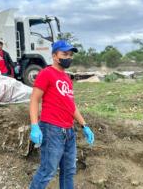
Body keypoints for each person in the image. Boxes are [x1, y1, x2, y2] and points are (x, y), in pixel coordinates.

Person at [29, 40, 95, 189]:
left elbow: (71, 105)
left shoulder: (66, 78)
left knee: (69, 172)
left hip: (69, 132)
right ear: (54, 55)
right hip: (52, 129)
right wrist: (34, 125)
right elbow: (34, 100)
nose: (69, 57)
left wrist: (85, 125)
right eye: (64, 54)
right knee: (47, 171)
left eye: (70, 55)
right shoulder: (46, 73)